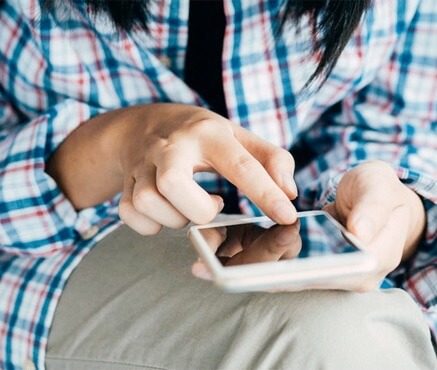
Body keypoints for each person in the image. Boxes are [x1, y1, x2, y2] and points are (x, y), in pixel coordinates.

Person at [0, 0, 436, 368]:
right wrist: (122, 141)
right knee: (333, 341)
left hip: (294, 233)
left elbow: (398, 129)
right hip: (54, 251)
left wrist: (403, 209)